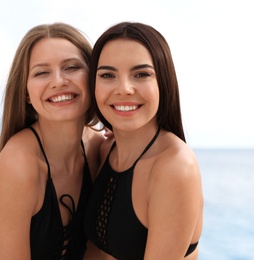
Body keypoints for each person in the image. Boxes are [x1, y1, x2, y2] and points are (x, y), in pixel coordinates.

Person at [0, 23, 105, 259]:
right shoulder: (17, 168)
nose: (58, 81)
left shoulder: (100, 148)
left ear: (93, 77)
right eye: (41, 72)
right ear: (26, 92)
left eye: (71, 67)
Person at [84, 22, 204, 259]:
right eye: (108, 75)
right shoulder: (106, 149)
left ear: (163, 82)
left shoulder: (175, 167)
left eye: (141, 74)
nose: (124, 89)